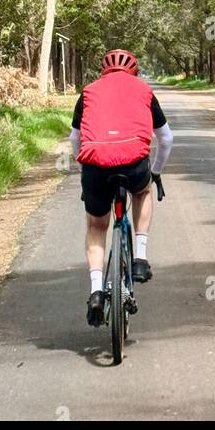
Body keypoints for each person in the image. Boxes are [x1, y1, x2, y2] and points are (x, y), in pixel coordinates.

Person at [68, 49, 173, 327]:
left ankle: (95, 292)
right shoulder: (145, 91)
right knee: (142, 191)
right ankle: (140, 257)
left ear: (104, 71)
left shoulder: (88, 91)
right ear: (134, 71)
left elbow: (74, 139)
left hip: (96, 167)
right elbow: (166, 139)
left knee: (96, 226)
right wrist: (156, 172)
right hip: (134, 165)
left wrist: (85, 171)